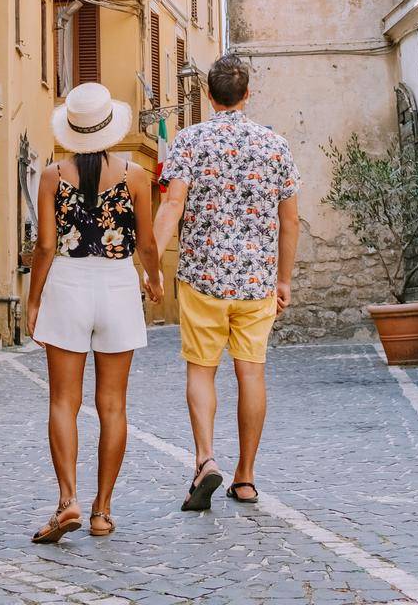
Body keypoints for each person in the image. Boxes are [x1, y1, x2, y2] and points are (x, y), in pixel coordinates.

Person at [153, 50, 299, 511]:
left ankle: (204, 459)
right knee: (250, 371)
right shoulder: (275, 146)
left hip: (202, 276)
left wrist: (150, 262)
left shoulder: (188, 142)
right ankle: (247, 477)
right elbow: (290, 222)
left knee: (201, 370)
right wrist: (284, 279)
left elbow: (173, 205)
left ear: (208, 94)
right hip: (256, 280)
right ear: (247, 94)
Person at [26, 81, 164, 544]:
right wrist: (155, 278)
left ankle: (68, 502)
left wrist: (33, 298)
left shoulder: (51, 176)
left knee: (64, 401)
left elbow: (45, 246)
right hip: (118, 285)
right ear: (110, 129)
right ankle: (103, 511)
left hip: (67, 285)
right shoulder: (136, 177)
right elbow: (146, 243)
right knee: (113, 404)